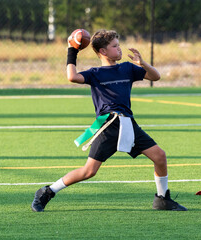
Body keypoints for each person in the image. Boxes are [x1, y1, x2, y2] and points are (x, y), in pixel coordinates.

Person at [31, 29, 187, 212]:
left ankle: (163, 199)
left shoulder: (127, 68)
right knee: (89, 171)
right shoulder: (95, 73)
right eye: (115, 46)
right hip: (108, 126)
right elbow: (72, 76)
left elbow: (155, 76)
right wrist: (71, 50)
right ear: (103, 52)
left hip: (128, 123)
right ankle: (47, 191)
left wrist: (142, 63)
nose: (119, 49)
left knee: (160, 156)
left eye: (119, 45)